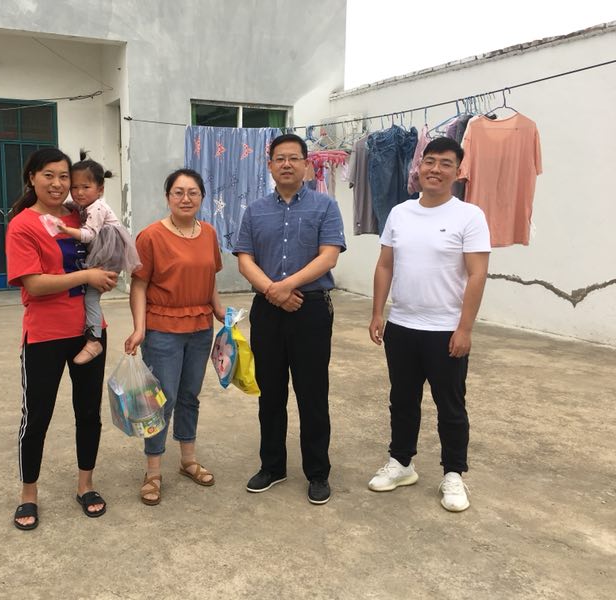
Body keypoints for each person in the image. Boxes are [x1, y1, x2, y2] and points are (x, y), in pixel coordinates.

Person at [367, 136, 491, 513]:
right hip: (402, 325)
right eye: (430, 161)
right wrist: (377, 312)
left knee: (450, 405)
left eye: (445, 163)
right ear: (419, 166)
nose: (435, 169)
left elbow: (477, 274)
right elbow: (385, 264)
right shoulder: (400, 213)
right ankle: (401, 463)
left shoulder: (469, 216)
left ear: (458, 171)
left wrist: (465, 328)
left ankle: (453, 473)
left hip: (445, 330)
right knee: (402, 400)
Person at [5, 148, 118, 529]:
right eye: (49, 175)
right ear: (32, 178)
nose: (58, 183)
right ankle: (28, 494)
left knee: (88, 413)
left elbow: (106, 247)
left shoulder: (80, 215)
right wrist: (87, 277)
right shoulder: (22, 225)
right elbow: (34, 284)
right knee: (37, 416)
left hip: (89, 331)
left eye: (64, 176)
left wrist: (108, 272)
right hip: (45, 335)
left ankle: (86, 485)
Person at [234, 133, 346, 505]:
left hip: (310, 309)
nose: (286, 164)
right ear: (269, 165)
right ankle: (272, 466)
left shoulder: (325, 206)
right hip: (267, 310)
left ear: (306, 164)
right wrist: (273, 291)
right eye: (279, 158)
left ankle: (317, 472)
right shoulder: (255, 211)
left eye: (293, 158)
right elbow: (245, 258)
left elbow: (328, 256)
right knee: (270, 392)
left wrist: (287, 286)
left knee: (313, 393)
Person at [124, 168, 225, 506]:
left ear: (202, 197)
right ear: (168, 197)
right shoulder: (151, 236)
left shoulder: (208, 233)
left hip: (200, 328)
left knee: (189, 396)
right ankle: (153, 471)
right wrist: (139, 328)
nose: (186, 198)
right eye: (178, 192)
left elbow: (210, 278)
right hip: (163, 329)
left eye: (193, 192)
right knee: (160, 401)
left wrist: (220, 311)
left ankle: (188, 460)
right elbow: (139, 285)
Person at [53, 152, 141, 365]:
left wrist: (66, 230)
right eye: (75, 187)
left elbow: (88, 235)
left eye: (86, 187)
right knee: (89, 293)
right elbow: (74, 206)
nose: (79, 192)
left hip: (107, 254)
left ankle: (94, 340)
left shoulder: (97, 208)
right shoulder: (86, 205)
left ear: (100, 189)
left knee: (91, 297)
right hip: (103, 251)